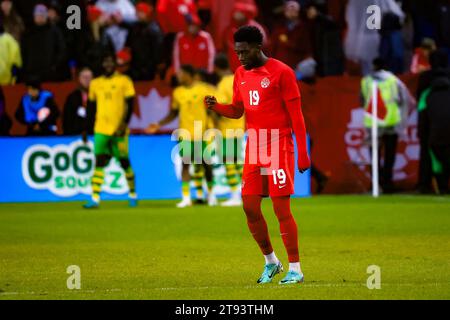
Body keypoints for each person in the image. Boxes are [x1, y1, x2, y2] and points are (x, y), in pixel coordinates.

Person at [205, 26, 310, 285]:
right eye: (236, 52)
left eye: (243, 52)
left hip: (278, 145)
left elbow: (297, 116)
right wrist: (217, 107)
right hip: (255, 146)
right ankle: (271, 262)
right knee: (249, 207)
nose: (239, 57)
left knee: (280, 208)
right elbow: (238, 110)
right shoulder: (240, 74)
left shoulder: (283, 73)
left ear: (257, 47)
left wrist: (303, 153)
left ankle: (295, 268)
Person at [146, 64, 217, 208]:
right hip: (185, 134)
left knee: (206, 165)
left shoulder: (203, 89)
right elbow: (173, 113)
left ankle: (211, 195)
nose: (178, 76)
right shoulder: (177, 92)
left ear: (189, 75)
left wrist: (212, 128)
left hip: (202, 133)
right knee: (186, 165)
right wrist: (159, 124)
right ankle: (186, 198)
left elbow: (212, 110)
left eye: (181, 74)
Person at [83, 53, 137, 209]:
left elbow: (130, 104)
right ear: (101, 64)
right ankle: (94, 198)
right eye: (105, 61)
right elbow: (91, 108)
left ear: (115, 64)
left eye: (110, 62)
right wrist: (86, 128)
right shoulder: (95, 83)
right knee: (99, 161)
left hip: (118, 129)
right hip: (100, 129)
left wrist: (124, 124)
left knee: (124, 162)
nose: (107, 64)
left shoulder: (124, 81)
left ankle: (133, 194)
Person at [360, 58, 408, 193]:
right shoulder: (394, 80)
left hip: (373, 123)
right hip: (391, 122)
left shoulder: (366, 81)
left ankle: (377, 184)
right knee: (389, 155)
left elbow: (362, 101)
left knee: (374, 155)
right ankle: (387, 184)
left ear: (373, 66)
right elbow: (403, 100)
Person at [416, 49, 450, 193]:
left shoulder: (425, 80)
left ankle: (426, 185)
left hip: (431, 124)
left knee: (428, 155)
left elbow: (421, 103)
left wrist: (421, 131)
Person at [213, 53, 245, 207]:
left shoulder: (223, 84)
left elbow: (222, 106)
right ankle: (244, 193)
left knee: (229, 161)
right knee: (238, 162)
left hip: (227, 128)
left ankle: (234, 196)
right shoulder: (238, 79)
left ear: (216, 67)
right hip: (240, 126)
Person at [20, 4, 67, 82]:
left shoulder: (54, 31)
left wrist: (54, 66)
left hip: (50, 74)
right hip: (32, 74)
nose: (40, 17)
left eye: (42, 15)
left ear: (46, 16)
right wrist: (26, 69)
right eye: (38, 15)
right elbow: (23, 52)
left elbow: (62, 50)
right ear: (34, 17)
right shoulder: (28, 33)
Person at [304, 1, 344, 77]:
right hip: (317, 47)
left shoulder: (335, 4)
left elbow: (336, 21)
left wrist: (318, 15)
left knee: (331, 77)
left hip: (330, 48)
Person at [125, 2, 163, 81]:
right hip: (134, 66)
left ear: (147, 13)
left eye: (141, 12)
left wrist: (156, 65)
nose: (138, 15)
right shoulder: (134, 27)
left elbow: (158, 50)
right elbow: (128, 45)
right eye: (137, 12)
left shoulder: (154, 29)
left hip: (149, 67)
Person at [270, 1, 313, 70]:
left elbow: (305, 47)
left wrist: (286, 41)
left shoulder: (303, 28)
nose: (291, 12)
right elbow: (272, 46)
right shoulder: (279, 28)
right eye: (288, 10)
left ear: (298, 12)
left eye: (293, 10)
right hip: (279, 65)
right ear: (285, 11)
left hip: (296, 65)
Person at [63, 68, 94, 136]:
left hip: (94, 135)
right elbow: (67, 119)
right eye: (84, 77)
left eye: (89, 77)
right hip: (74, 136)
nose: (87, 80)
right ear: (79, 79)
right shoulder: (72, 97)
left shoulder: (98, 97)